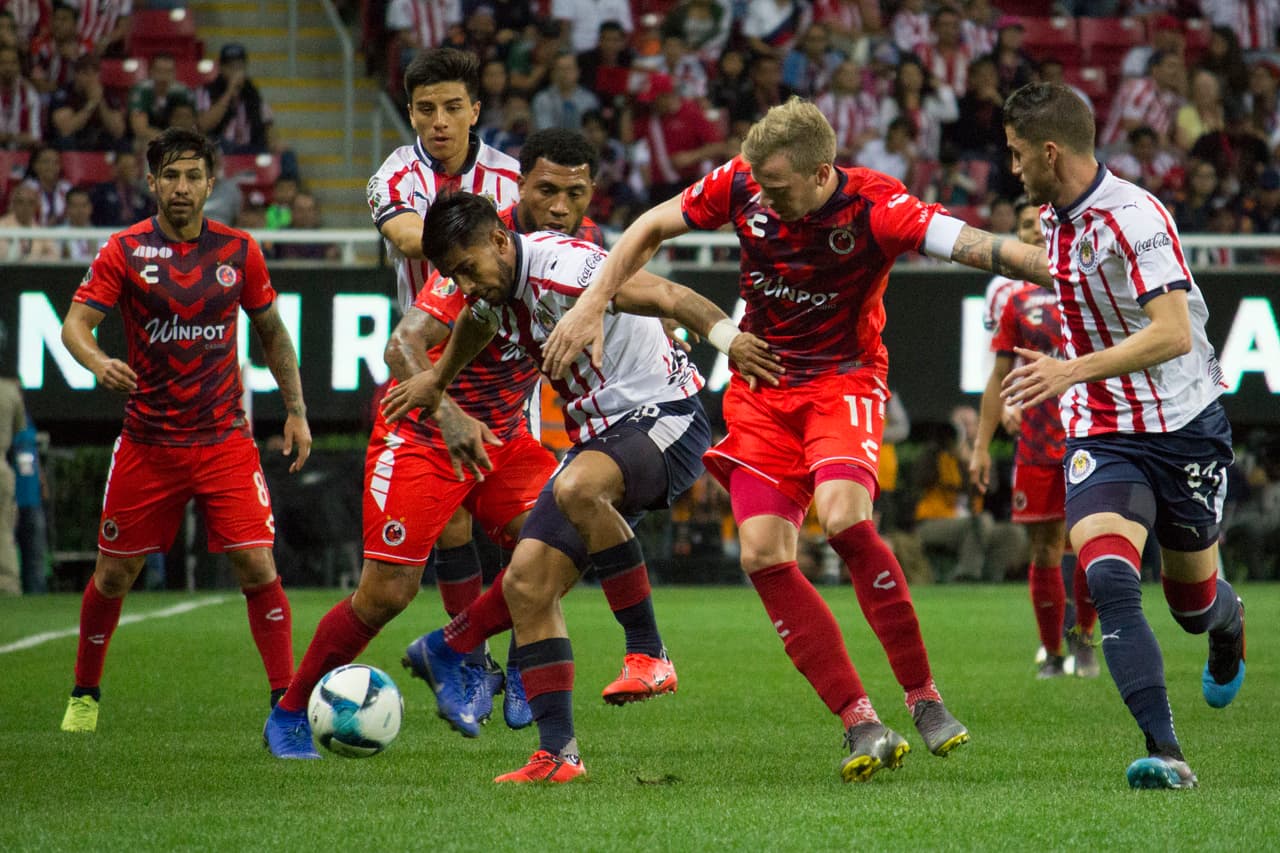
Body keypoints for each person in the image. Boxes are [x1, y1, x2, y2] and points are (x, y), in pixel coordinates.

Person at [541, 97, 1055, 782]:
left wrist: (1066, 273)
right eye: (759, 183)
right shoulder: (743, 181)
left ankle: (924, 696)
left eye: (778, 186)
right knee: (760, 553)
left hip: (842, 380)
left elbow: (977, 246)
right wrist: (591, 302)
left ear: (820, 173)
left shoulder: (878, 206)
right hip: (762, 386)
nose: (764, 198)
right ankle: (860, 720)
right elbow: (649, 226)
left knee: (844, 518)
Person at [263, 129, 678, 758]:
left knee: (560, 545)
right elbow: (402, 344)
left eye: (574, 194)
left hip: (502, 437)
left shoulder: (583, 249)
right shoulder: (479, 247)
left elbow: (634, 295)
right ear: (520, 188)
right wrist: (449, 414)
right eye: (547, 190)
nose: (560, 206)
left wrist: (666, 322)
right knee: (388, 593)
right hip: (426, 436)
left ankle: (499, 661)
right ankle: (291, 710)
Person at [383, 190, 780, 783]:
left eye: (467, 269)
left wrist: (732, 341)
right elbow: (477, 322)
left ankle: (649, 652)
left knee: (576, 489)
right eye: (453, 276)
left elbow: (671, 296)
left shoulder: (566, 269)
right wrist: (438, 380)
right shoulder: (493, 290)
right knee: (525, 584)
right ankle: (557, 755)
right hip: (600, 438)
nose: (465, 285)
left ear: (499, 240)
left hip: (665, 415)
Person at [1001, 82, 1245, 790]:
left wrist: (1068, 369)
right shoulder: (1056, 218)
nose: (1013, 168)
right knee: (1107, 575)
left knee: (1192, 608)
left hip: (1184, 424)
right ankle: (1165, 751)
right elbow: (1034, 262)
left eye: (1018, 154)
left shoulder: (1136, 217)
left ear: (1051, 152)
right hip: (1104, 430)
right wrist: (923, 230)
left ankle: (1228, 620)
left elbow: (1172, 333)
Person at [57, 127, 313, 735]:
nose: (181, 187)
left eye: (192, 176)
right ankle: (85, 694)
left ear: (210, 183)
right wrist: (97, 362)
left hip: (224, 440)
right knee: (113, 575)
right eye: (170, 175)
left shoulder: (239, 250)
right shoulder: (124, 250)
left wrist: (296, 409)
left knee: (258, 565)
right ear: (151, 182)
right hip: (148, 443)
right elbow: (74, 325)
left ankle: (286, 707)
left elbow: (273, 333)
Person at [970, 197, 1098, 679]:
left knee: (1089, 543)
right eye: (1026, 226)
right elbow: (998, 373)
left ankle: (1083, 640)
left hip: (1089, 434)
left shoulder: (1089, 288)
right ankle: (1053, 653)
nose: (1035, 233)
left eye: (1041, 225)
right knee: (1044, 548)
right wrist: (984, 441)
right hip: (1038, 440)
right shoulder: (1013, 300)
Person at [367, 46, 519, 314]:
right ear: (412, 115)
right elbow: (409, 240)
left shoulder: (513, 178)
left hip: (505, 335)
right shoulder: (392, 177)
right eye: (426, 109)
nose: (439, 121)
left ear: (474, 112)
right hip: (426, 336)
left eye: (453, 108)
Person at [0, 369, 21, 596]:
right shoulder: (10, 391)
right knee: (4, 528)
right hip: (1, 465)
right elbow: (19, 427)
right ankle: (7, 583)